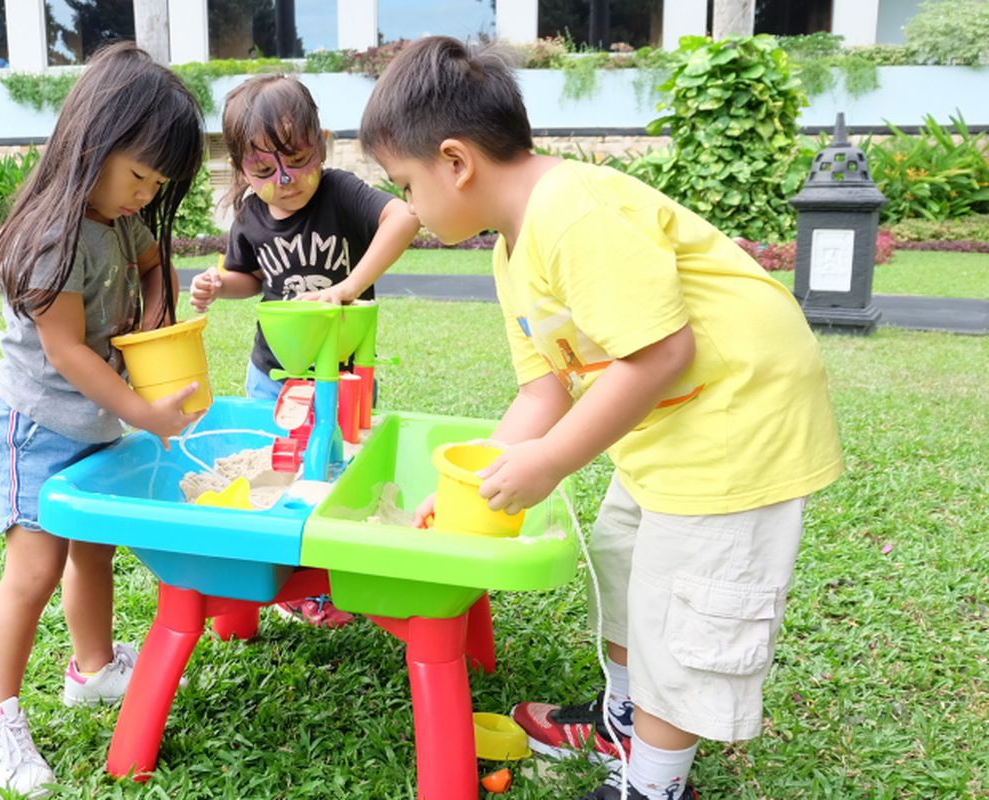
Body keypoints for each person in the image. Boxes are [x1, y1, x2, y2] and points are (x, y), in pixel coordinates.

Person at [359, 37, 843, 800]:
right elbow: (544, 394)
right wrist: (473, 481)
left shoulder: (575, 211)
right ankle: (623, 720)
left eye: (406, 185)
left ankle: (653, 786)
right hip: (669, 428)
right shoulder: (510, 251)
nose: (408, 208)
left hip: (738, 424)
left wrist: (549, 464)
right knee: (622, 570)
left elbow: (660, 355)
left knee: (682, 616)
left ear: (455, 162)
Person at [0, 41, 206, 798]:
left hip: (92, 421)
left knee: (92, 552)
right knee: (33, 571)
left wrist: (159, 318)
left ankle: (93, 669)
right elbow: (67, 351)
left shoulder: (115, 216)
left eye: (157, 184)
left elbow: (153, 265)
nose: (145, 195)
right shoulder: (53, 233)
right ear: (94, 142)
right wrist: (146, 410)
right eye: (140, 175)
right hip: (37, 422)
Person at [189, 74, 419, 628]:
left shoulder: (341, 193)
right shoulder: (250, 216)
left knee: (336, 472)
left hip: (344, 375)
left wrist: (347, 286)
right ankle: (289, 583)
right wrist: (221, 284)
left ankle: (334, 575)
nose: (285, 181)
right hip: (274, 373)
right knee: (279, 474)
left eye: (297, 160)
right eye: (265, 172)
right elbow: (249, 277)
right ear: (242, 168)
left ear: (319, 142)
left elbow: (405, 218)